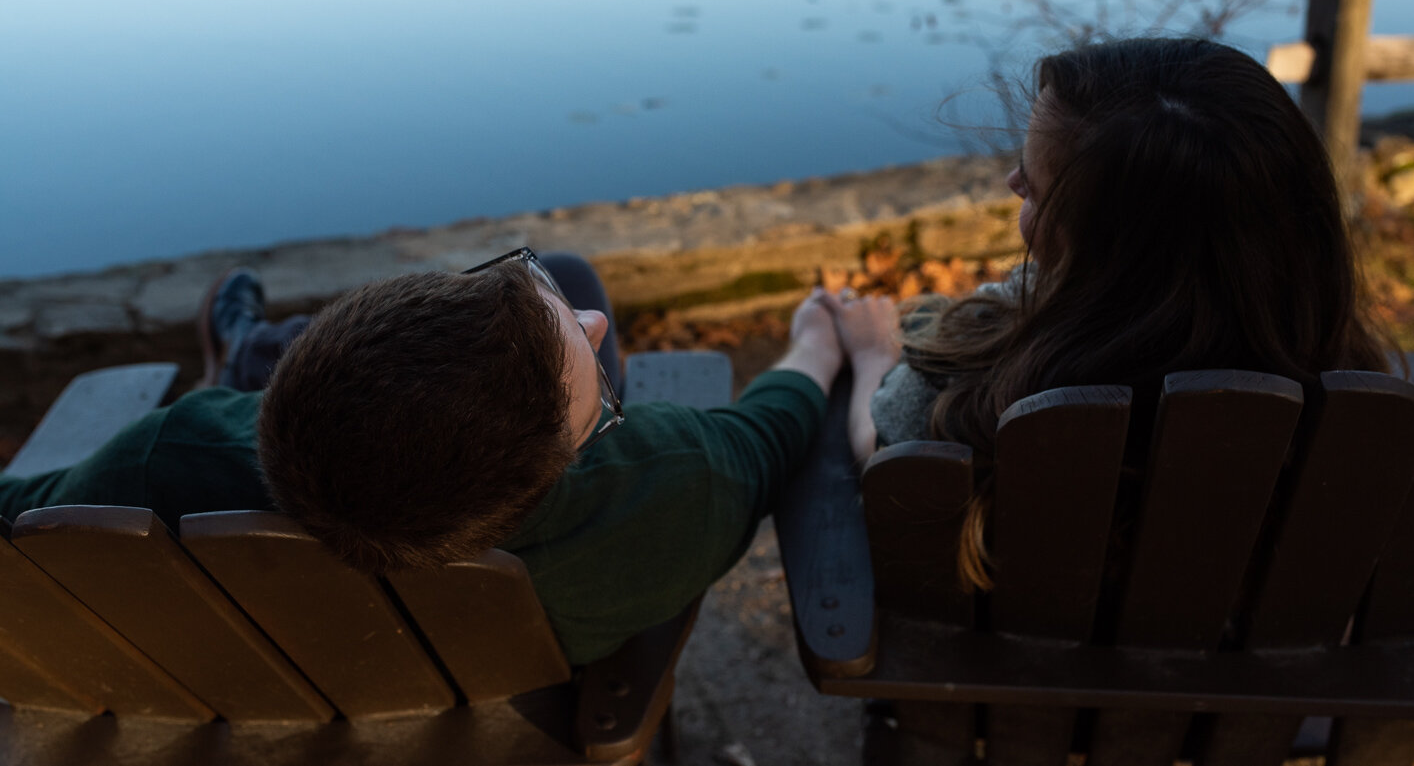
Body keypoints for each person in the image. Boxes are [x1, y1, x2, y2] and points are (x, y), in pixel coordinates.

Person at [0, 250, 896, 665]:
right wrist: (818, 347)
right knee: (578, 273)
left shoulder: (169, 457)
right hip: (472, 681)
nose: (598, 327)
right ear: (567, 454)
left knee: (569, 272)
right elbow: (766, 433)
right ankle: (247, 348)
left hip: (256, 655)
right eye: (591, 374)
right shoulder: (668, 493)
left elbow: (21, 526)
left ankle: (248, 355)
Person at [822, 37, 1390, 591]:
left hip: (1018, 677)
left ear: (1102, 254)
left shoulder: (973, 397)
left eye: (1035, 188)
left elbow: (881, 457)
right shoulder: (1349, 412)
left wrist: (873, 354)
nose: (1012, 181)